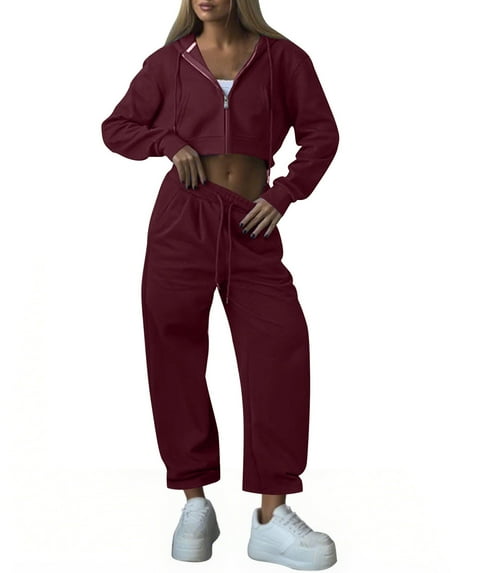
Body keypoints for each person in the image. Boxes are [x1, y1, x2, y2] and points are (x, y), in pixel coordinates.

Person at [101, 0, 339, 569]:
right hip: (182, 218)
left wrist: (284, 194)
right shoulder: (169, 62)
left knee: (280, 350)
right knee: (175, 355)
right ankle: (194, 502)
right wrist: (167, 142)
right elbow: (117, 128)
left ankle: (272, 517)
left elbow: (321, 134)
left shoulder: (284, 59)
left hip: (252, 221)